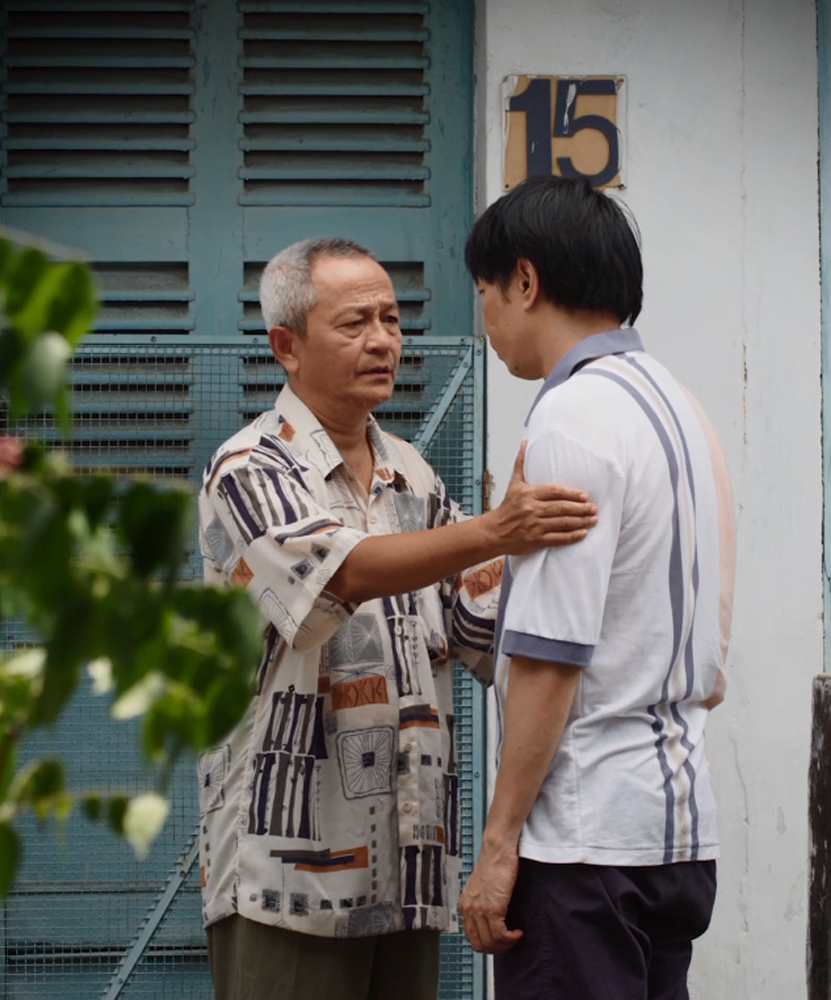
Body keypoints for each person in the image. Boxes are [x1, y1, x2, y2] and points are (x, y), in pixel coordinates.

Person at [195, 235, 599, 1000]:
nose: (382, 339)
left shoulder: (411, 473)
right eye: (354, 324)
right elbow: (336, 576)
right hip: (289, 879)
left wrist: (558, 544)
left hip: (409, 864)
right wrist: (495, 530)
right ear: (287, 345)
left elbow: (483, 630)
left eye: (390, 318)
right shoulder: (246, 468)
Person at [457, 175, 736, 1000]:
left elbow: (551, 658)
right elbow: (712, 658)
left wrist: (500, 842)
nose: (487, 319)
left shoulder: (572, 417)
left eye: (485, 292)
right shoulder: (684, 409)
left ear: (526, 281)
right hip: (677, 832)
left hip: (583, 845)